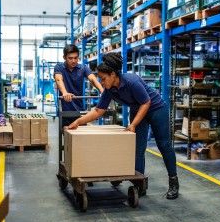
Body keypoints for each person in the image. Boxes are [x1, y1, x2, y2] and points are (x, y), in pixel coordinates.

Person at [68, 53, 179, 199]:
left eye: (103, 78)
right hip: (137, 110)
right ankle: (140, 184)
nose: (101, 82)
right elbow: (98, 111)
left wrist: (132, 124)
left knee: (164, 145)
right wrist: (78, 122)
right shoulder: (109, 90)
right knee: (138, 149)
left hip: (156, 109)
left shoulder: (131, 81)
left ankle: (173, 181)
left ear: (113, 74)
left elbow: (146, 103)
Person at [54, 44, 104, 126]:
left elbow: (92, 79)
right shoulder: (59, 67)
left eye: (76, 58)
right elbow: (59, 79)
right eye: (70, 58)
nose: (73, 61)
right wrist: (65, 93)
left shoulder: (83, 68)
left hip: (79, 109)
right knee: (67, 135)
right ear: (64, 57)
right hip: (65, 110)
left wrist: (102, 91)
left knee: (80, 135)